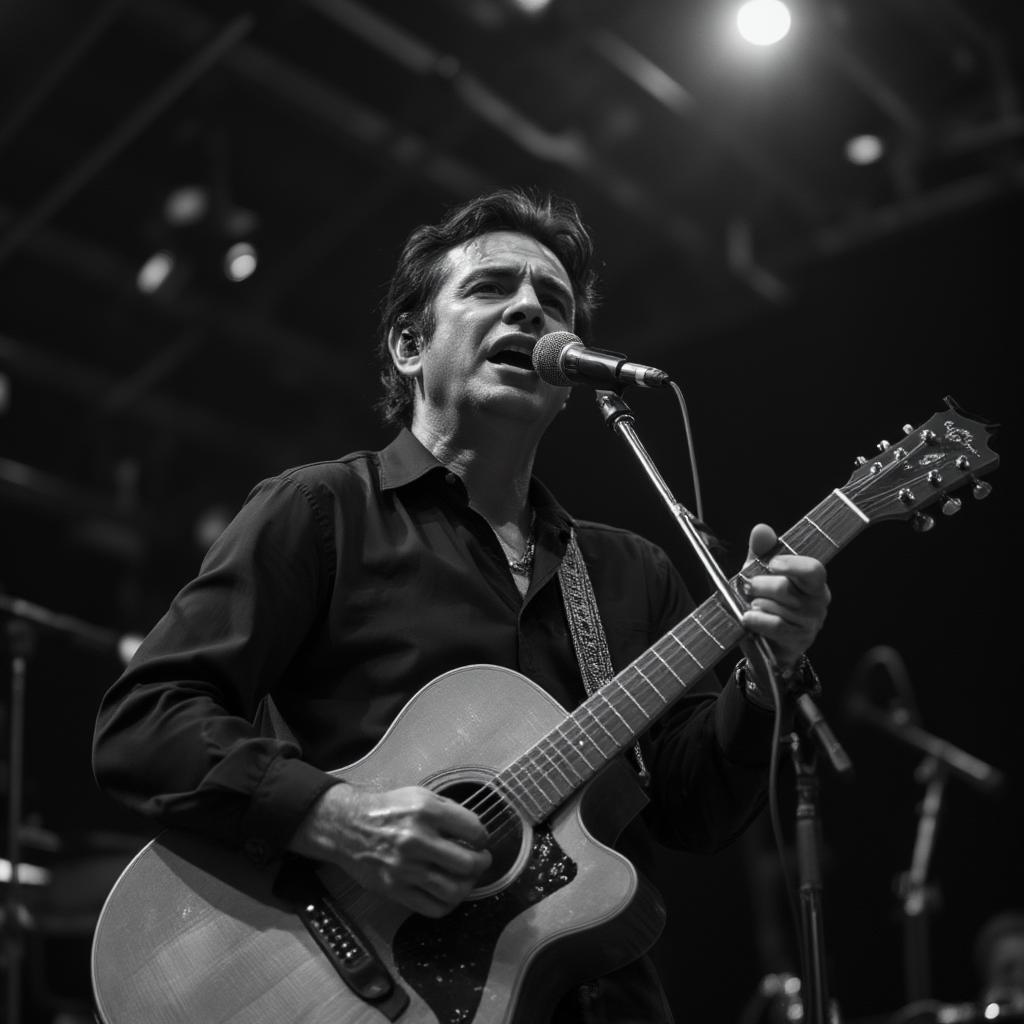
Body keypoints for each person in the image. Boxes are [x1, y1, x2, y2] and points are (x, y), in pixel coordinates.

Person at [92, 187, 831, 1022]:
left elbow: (694, 810)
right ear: (411, 343)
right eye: (491, 288)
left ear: (567, 380)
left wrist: (767, 679)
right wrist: (334, 817)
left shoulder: (631, 571)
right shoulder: (322, 511)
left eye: (552, 302)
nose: (529, 309)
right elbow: (145, 720)